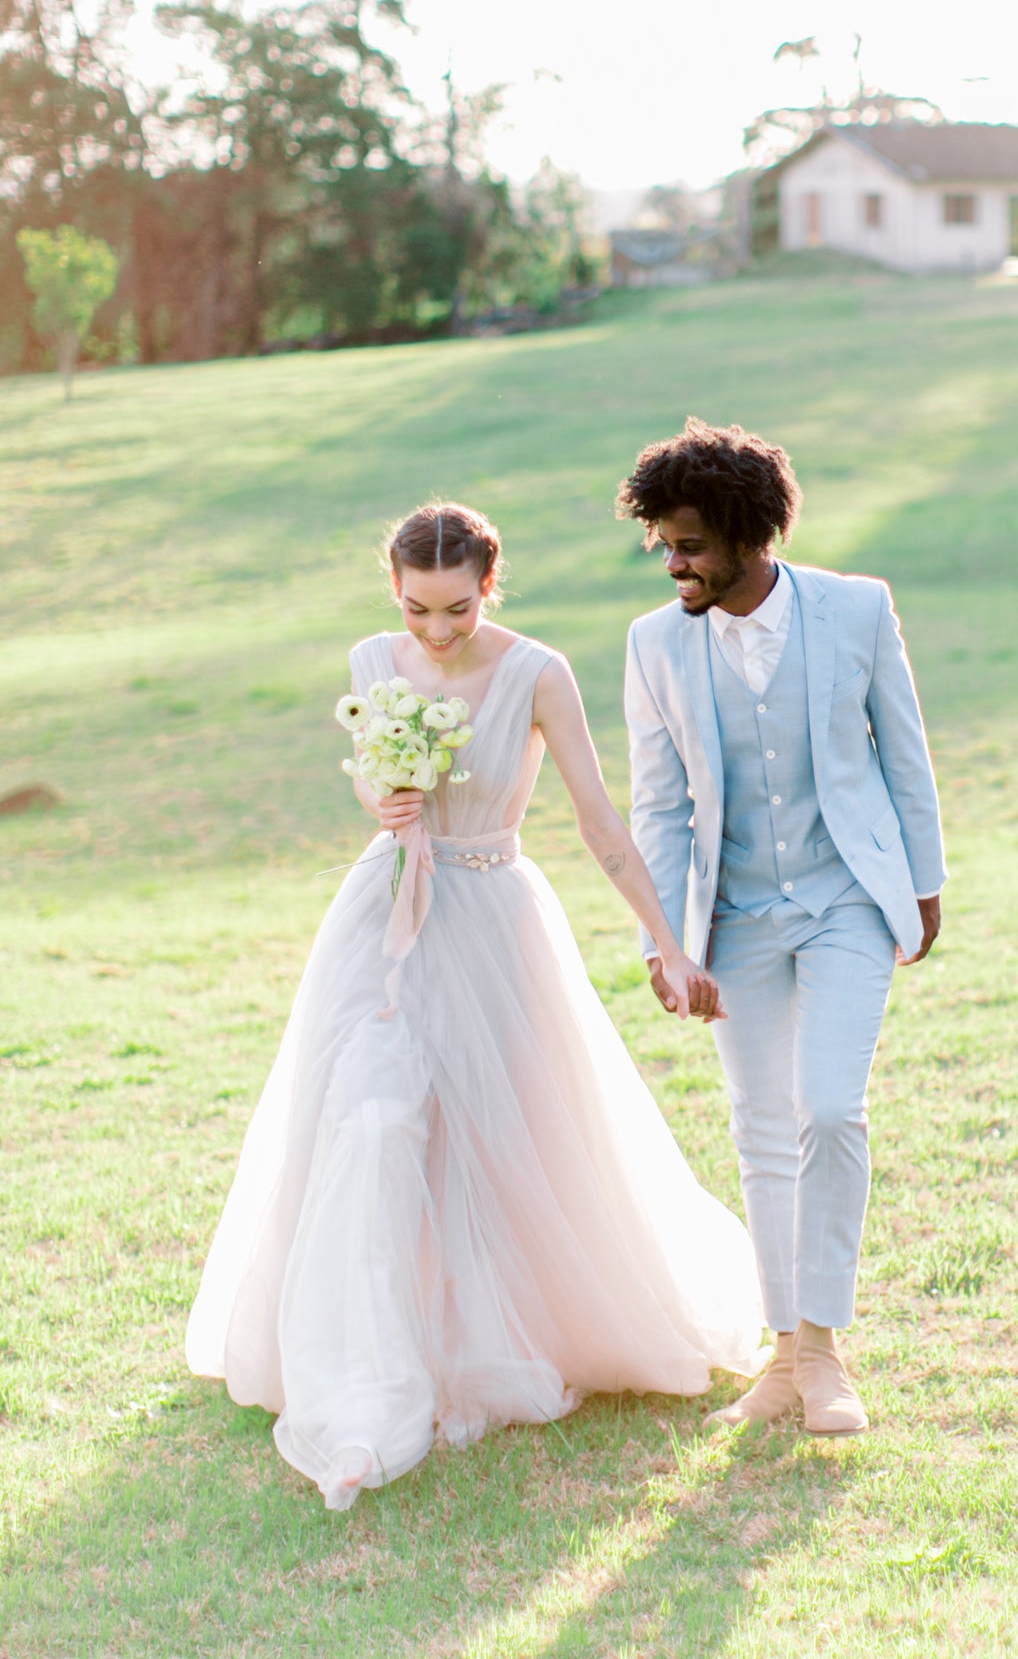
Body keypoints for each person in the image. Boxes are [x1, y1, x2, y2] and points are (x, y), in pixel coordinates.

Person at [186, 502, 763, 1510]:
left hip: (493, 915)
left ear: (490, 585)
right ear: (394, 592)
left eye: (456, 608)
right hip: (383, 913)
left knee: (500, 1131)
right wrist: (386, 802)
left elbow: (598, 817)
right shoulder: (374, 659)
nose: (438, 630)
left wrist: (666, 942)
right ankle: (362, 1373)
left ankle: (482, 1337)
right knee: (369, 1118)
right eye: (418, 609)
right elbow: (376, 779)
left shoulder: (537, 672)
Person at [618, 419, 945, 1437]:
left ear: (749, 534)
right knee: (763, 1128)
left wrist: (923, 884)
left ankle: (826, 1346)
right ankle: (786, 1351)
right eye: (663, 545)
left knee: (831, 1109)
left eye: (691, 544)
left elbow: (904, 751)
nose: (674, 562)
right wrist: (667, 942)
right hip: (736, 916)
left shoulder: (855, 608)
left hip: (847, 897)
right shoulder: (653, 642)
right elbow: (658, 806)